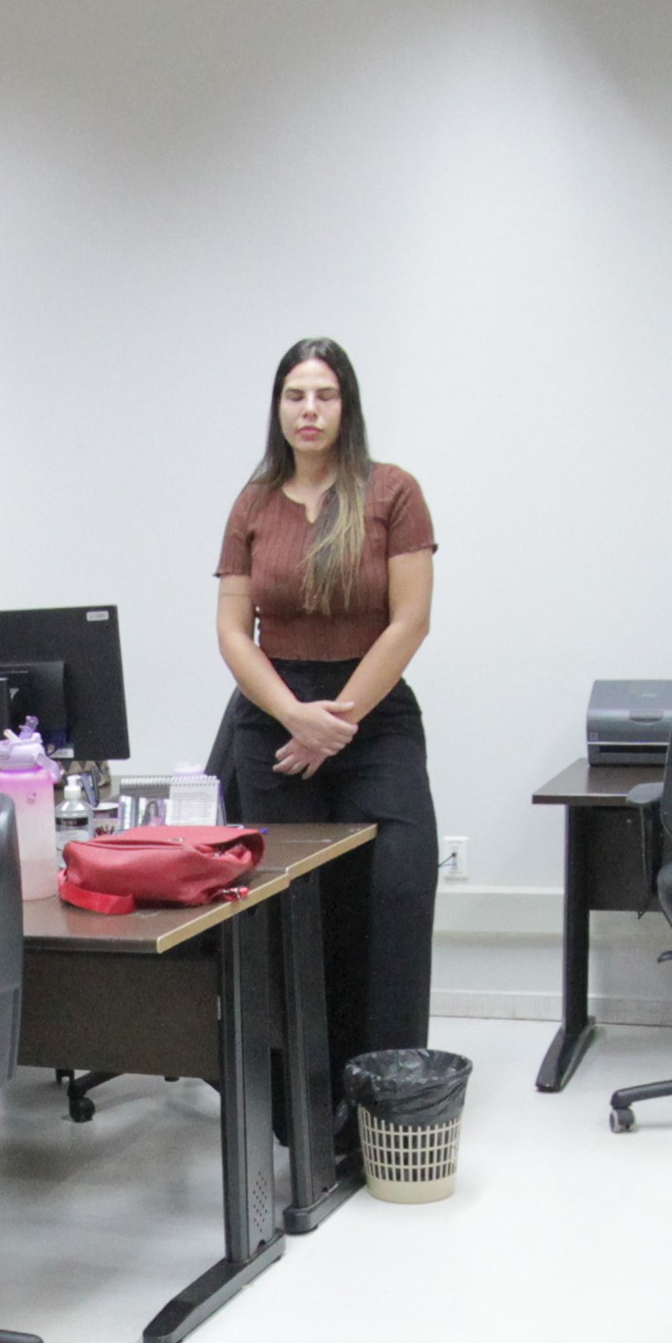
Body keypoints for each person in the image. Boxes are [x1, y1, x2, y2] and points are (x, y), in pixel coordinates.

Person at [215, 337, 438, 1075]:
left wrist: (331, 723)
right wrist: (294, 717)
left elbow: (409, 621)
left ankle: (387, 1087)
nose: (309, 410)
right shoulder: (252, 503)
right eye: (295, 395)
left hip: (371, 717)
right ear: (278, 408)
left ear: (348, 406)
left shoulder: (392, 493)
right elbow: (232, 630)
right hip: (275, 722)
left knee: (396, 890)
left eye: (325, 395)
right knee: (293, 910)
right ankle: (300, 1103)